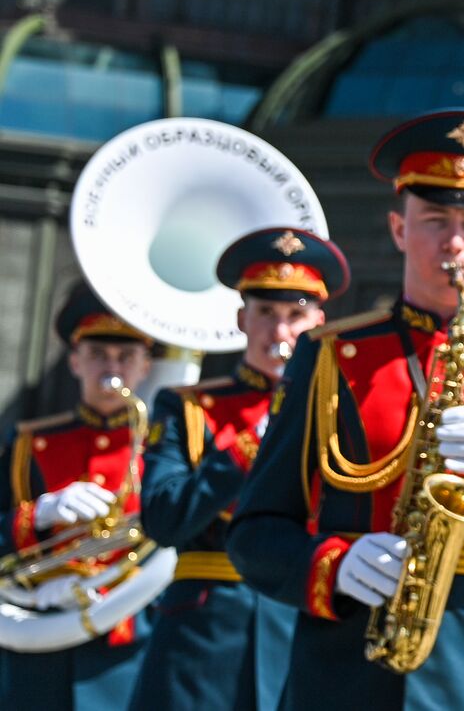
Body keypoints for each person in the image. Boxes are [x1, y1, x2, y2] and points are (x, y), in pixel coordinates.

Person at [227, 109, 464, 710]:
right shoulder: (329, 356)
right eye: (434, 220)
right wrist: (331, 566)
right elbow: (256, 533)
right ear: (398, 228)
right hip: (342, 666)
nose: (454, 242)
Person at [129, 227, 349, 710]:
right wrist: (246, 450)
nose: (280, 331)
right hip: (205, 631)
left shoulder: (338, 409)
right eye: (266, 313)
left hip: (304, 615)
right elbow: (163, 518)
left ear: (319, 323)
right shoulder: (188, 408)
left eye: (295, 316)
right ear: (240, 319)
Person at [0, 283, 157, 709]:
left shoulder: (161, 446)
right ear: (74, 361)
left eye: (126, 357)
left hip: (128, 631)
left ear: (145, 366)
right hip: (37, 624)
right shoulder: (28, 444)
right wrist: (41, 514)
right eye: (98, 354)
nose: (112, 367)